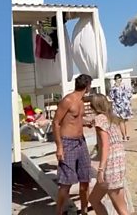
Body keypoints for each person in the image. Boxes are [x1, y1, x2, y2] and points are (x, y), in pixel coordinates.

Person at [52, 74, 93, 215]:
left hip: (81, 142)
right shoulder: (68, 100)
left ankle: (84, 211)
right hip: (67, 143)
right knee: (66, 182)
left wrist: (86, 123)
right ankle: (59, 212)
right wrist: (59, 147)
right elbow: (56, 123)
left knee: (85, 178)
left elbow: (74, 120)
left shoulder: (81, 102)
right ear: (87, 86)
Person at [88, 94, 131, 215]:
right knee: (94, 199)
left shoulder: (100, 119)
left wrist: (100, 169)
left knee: (120, 208)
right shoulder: (109, 117)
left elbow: (105, 144)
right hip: (119, 156)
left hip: (111, 160)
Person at [109, 74, 133, 140]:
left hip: (125, 106)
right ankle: (124, 136)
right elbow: (111, 97)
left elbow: (130, 94)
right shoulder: (113, 88)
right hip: (118, 107)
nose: (118, 80)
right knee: (121, 122)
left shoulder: (125, 86)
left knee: (125, 121)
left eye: (119, 78)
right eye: (116, 79)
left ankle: (126, 134)